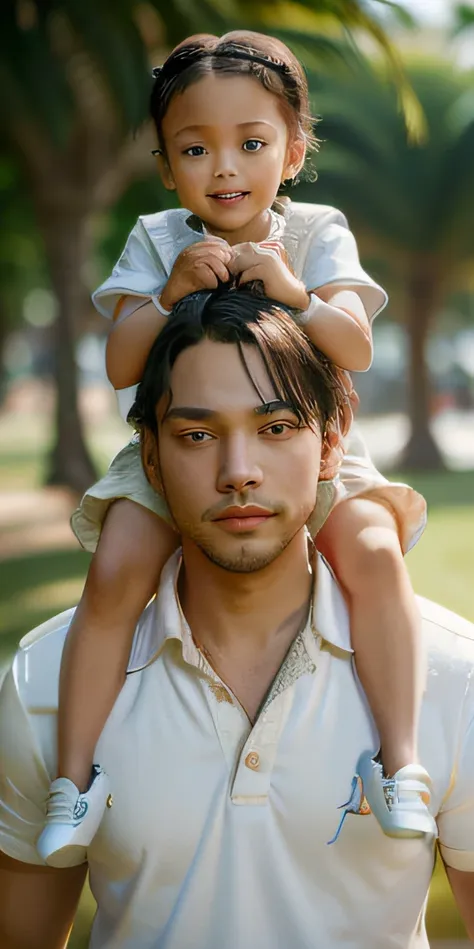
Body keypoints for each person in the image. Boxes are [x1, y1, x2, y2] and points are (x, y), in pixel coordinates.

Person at [37, 30, 429, 867]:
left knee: (374, 553)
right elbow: (119, 361)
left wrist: (293, 291)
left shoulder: (317, 231)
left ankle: (401, 760)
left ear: (291, 152)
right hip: (180, 451)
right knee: (113, 572)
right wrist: (171, 289)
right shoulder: (153, 240)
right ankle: (73, 780)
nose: (224, 167)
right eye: (195, 147)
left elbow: (353, 346)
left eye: (250, 144)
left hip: (311, 449)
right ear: (165, 164)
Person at [1, 287, 474, 949]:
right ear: (150, 456)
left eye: (276, 428)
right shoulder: (44, 683)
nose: (239, 472)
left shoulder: (456, 676)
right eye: (197, 434)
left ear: (333, 441)